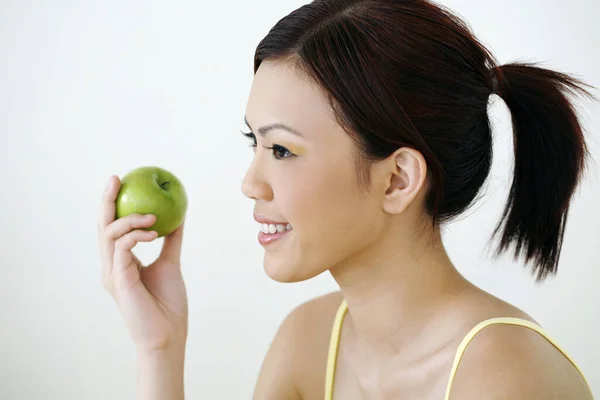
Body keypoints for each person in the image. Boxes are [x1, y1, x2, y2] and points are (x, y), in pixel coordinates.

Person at [97, 0, 596, 398]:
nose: (252, 183)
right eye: (256, 143)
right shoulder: (309, 340)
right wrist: (159, 348)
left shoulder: (506, 378)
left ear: (398, 179)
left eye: (283, 149)